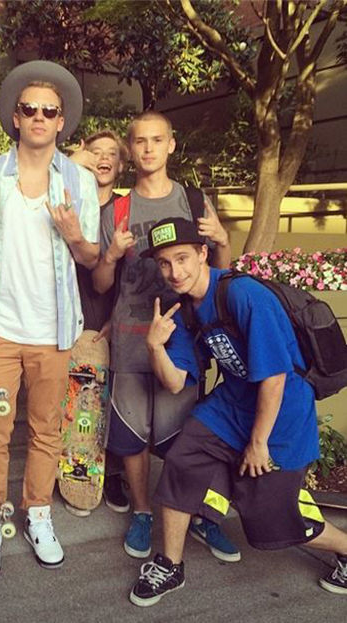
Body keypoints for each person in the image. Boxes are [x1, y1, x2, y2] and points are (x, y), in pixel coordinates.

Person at [128, 216, 347, 606]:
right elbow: (176, 382)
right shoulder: (184, 309)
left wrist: (258, 443)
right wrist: (155, 347)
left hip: (282, 415)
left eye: (182, 258)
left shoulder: (244, 294)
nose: (174, 272)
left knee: (273, 521)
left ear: (202, 253)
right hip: (233, 405)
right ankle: (170, 565)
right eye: (164, 263)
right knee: (182, 459)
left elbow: (275, 378)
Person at [0, 60, 100, 581]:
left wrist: (73, 234)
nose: (39, 117)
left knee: (46, 430)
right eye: (29, 109)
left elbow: (91, 257)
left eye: (49, 111)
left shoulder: (80, 181)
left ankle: (38, 513)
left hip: (54, 332)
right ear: (15, 117)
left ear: (62, 121)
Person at [92, 111, 239, 563]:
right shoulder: (116, 211)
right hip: (130, 337)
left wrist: (224, 239)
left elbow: (220, 270)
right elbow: (101, 285)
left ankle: (193, 515)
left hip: (185, 338)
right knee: (132, 434)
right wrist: (111, 256)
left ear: (171, 145)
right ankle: (142, 512)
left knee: (182, 435)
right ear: (130, 149)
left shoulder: (193, 201)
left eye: (157, 140)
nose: (149, 149)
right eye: (140, 141)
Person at [68, 130, 130, 515]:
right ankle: (73, 466)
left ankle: (114, 473)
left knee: (114, 393)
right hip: (70, 306)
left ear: (121, 165)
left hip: (112, 309)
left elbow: (134, 271)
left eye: (111, 153)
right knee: (75, 394)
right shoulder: (70, 200)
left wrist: (116, 316)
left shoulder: (126, 208)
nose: (102, 158)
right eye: (95, 151)